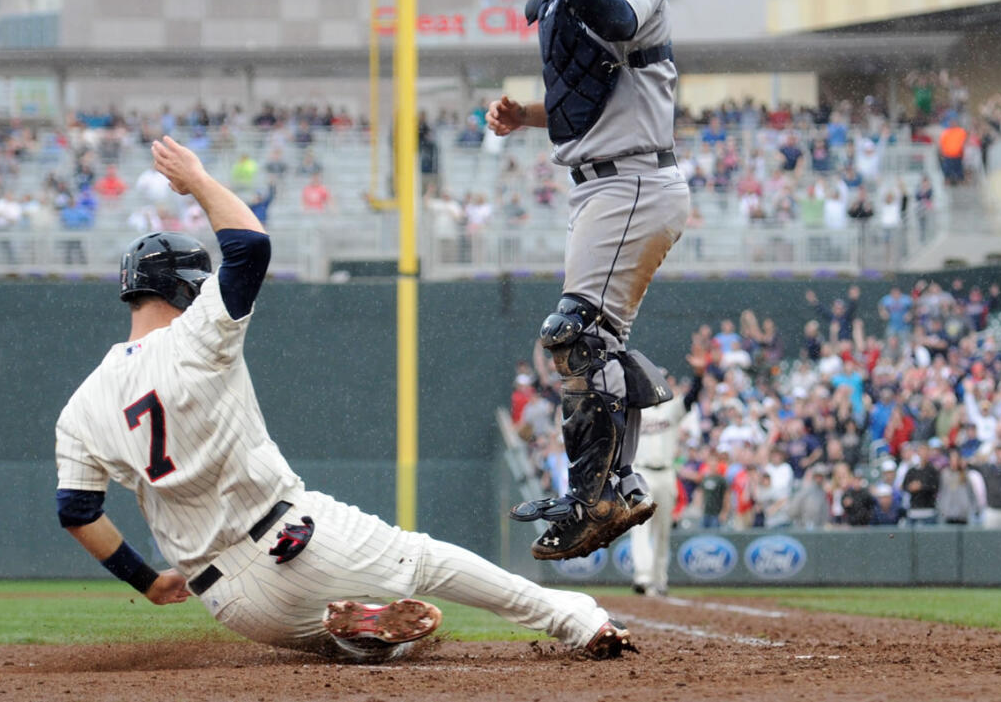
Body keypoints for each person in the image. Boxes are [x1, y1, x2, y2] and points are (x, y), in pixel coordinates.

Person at [53, 136, 634, 662]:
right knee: (425, 561)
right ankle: (576, 620)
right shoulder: (197, 333)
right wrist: (198, 181)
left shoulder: (82, 407)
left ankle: (356, 628)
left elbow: (77, 512)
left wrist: (148, 582)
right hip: (293, 541)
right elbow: (249, 247)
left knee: (390, 653)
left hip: (229, 601)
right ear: (188, 287)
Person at [487, 0, 690, 560]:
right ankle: (614, 486)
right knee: (585, 342)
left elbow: (618, 18)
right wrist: (528, 116)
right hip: (608, 183)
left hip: (633, 178)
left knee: (573, 334)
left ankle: (599, 492)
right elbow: (597, 89)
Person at [629, 372, 698, 597]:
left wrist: (697, 375)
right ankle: (643, 576)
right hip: (642, 471)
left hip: (666, 473)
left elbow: (691, 398)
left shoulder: (673, 408)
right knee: (639, 525)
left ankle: (659, 580)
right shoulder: (637, 408)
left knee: (662, 530)